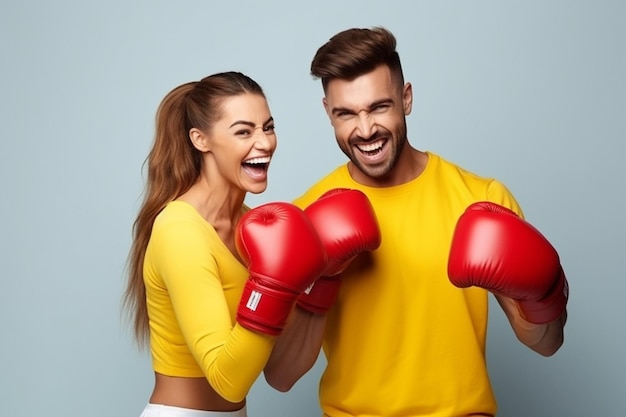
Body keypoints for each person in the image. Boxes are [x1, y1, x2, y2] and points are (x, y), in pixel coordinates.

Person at [264, 27, 569, 417]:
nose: (365, 129)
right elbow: (282, 376)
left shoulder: (482, 199)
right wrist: (320, 281)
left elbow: (547, 343)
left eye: (379, 107)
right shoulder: (307, 216)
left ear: (406, 99)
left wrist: (543, 294)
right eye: (346, 114)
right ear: (327, 112)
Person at [123, 71, 334, 417]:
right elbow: (228, 379)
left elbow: (281, 373)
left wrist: (325, 280)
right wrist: (276, 287)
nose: (265, 143)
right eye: (243, 131)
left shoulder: (255, 227)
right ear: (200, 140)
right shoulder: (179, 230)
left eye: (268, 127)